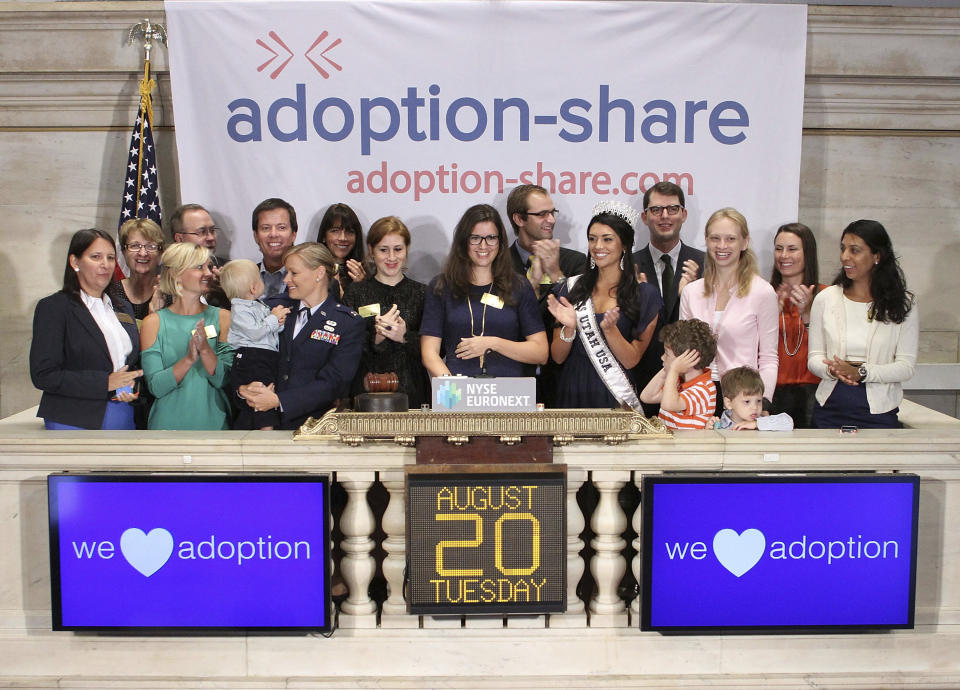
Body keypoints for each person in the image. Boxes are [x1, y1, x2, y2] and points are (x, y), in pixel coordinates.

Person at [546, 201, 662, 409]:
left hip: (615, 392)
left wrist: (610, 330)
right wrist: (569, 327)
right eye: (592, 239)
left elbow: (631, 360)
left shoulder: (645, 295)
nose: (598, 246)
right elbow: (558, 356)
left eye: (607, 239)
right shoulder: (571, 289)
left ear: (624, 244)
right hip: (573, 389)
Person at [239, 243, 364, 430]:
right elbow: (242, 357)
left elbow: (334, 382)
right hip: (255, 424)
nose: (286, 279)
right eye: (286, 272)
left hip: (311, 428)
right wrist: (242, 390)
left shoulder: (347, 323)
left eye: (293, 273)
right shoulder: (268, 308)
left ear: (319, 273)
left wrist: (279, 401)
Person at [807, 220, 918, 429]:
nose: (844, 257)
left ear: (877, 256)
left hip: (879, 413)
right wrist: (833, 371)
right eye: (843, 249)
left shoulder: (903, 303)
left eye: (854, 250)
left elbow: (906, 367)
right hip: (830, 408)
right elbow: (814, 358)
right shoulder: (826, 298)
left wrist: (862, 372)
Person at [30, 229, 142, 430]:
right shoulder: (54, 308)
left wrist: (133, 384)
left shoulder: (122, 308)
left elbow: (130, 362)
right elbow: (44, 375)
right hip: (73, 418)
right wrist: (104, 383)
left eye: (110, 258)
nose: (105, 264)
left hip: (122, 411)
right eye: (96, 257)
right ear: (75, 262)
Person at [421, 204, 547, 378]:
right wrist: (454, 391)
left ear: (500, 242)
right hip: (456, 398)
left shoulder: (519, 286)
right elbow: (429, 353)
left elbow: (540, 352)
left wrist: (492, 343)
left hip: (509, 398)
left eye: (491, 238)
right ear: (463, 241)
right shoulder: (441, 287)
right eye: (475, 238)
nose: (483, 245)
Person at [679, 208, 778, 410]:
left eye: (730, 239)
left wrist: (762, 404)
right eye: (715, 238)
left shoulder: (762, 292)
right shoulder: (691, 292)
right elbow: (683, 352)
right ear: (706, 241)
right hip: (696, 396)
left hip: (742, 399)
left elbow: (768, 357)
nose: (722, 246)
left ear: (744, 242)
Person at [506, 184, 588, 405]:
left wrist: (556, 275)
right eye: (542, 214)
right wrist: (530, 284)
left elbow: (584, 319)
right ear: (519, 219)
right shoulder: (498, 264)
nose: (551, 220)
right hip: (511, 380)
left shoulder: (575, 262)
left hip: (563, 379)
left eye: (552, 213)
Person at [140, 243, 234, 430]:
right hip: (166, 428)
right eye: (200, 267)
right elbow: (156, 387)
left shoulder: (223, 317)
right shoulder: (153, 323)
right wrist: (189, 359)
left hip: (214, 427)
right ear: (176, 273)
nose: (208, 273)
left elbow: (224, 380)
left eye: (208, 266)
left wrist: (206, 351)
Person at [632, 181, 705, 414]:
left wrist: (690, 295)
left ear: (683, 214)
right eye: (656, 210)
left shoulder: (705, 264)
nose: (665, 216)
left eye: (672, 209)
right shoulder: (628, 266)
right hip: (641, 383)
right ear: (644, 217)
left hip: (691, 388)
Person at [342, 216, 429, 409]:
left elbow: (438, 349)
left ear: (407, 250)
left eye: (398, 249)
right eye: (383, 250)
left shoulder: (423, 293)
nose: (391, 257)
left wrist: (404, 337)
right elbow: (344, 347)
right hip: (366, 393)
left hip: (413, 393)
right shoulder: (356, 293)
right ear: (371, 251)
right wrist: (376, 336)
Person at [220, 259, 291, 430]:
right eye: (259, 279)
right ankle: (266, 427)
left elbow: (268, 332)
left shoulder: (257, 305)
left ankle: (264, 425)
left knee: (267, 389)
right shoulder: (239, 309)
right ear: (253, 288)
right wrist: (273, 318)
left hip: (265, 356)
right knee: (261, 390)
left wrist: (278, 323)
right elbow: (256, 332)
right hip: (251, 358)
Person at [770, 222, 823, 428]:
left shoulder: (826, 296)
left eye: (792, 249)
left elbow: (833, 348)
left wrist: (808, 314)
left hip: (815, 394)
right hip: (771, 393)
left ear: (807, 253)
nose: (784, 256)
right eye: (778, 248)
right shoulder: (763, 294)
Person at [640, 318, 717, 430]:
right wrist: (668, 370)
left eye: (666, 354)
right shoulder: (676, 381)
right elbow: (647, 397)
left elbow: (669, 405)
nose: (662, 357)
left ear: (685, 360)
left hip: (685, 447)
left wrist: (674, 370)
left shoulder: (705, 389)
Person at [169, 203, 230, 308]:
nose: (210, 238)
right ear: (179, 239)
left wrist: (230, 290)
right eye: (202, 232)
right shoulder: (164, 278)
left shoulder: (229, 271)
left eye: (212, 231)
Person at [116, 217, 165, 321]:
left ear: (161, 253)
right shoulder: (111, 294)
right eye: (135, 246)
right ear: (124, 252)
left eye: (151, 246)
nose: (142, 253)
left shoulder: (170, 295)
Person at [715, 366, 794, 430]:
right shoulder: (719, 424)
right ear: (729, 403)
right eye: (747, 401)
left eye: (759, 401)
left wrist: (757, 424)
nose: (755, 407)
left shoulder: (762, 420)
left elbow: (788, 422)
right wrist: (709, 429)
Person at [252, 197, 298, 301]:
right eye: (266, 228)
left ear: (293, 235)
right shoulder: (244, 277)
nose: (273, 234)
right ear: (256, 236)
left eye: (281, 227)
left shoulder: (309, 278)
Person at [318, 203, 367, 295]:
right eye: (335, 231)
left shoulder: (367, 272)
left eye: (349, 231)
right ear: (324, 236)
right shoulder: (311, 269)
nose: (343, 238)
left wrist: (361, 287)